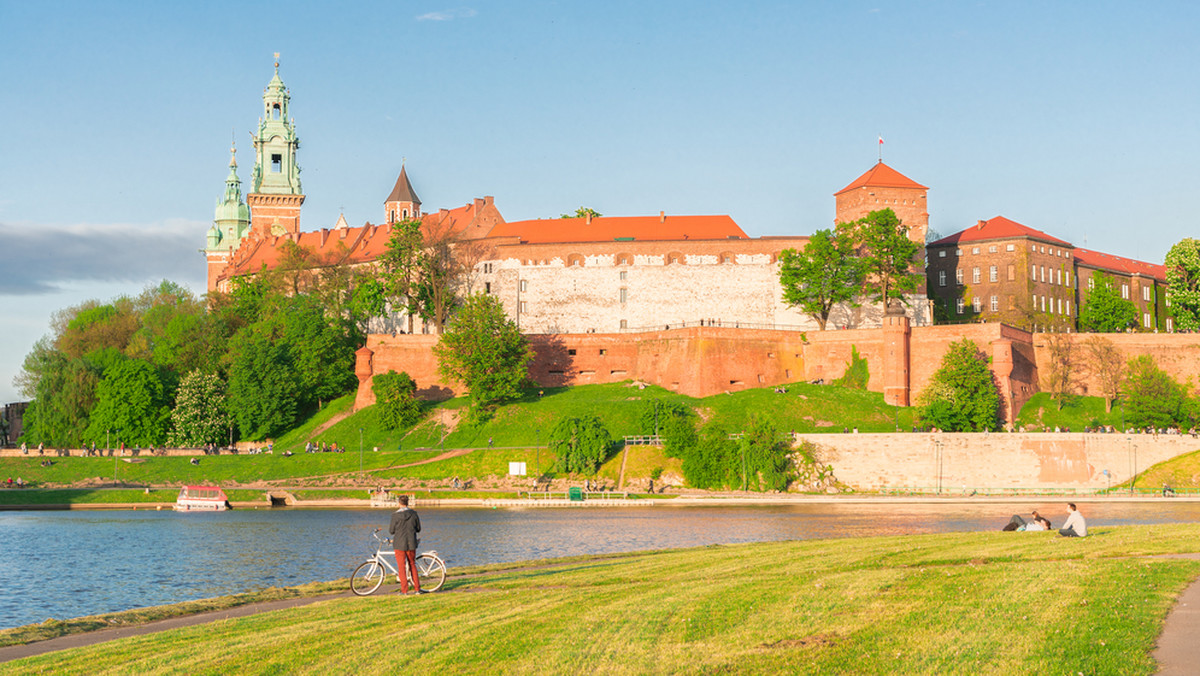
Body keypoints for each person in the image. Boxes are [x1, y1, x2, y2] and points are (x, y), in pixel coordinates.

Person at [389, 495, 422, 595]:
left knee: (401, 567)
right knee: (412, 564)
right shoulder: (414, 514)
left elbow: (391, 531)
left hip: (399, 543)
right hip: (411, 542)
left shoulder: (395, 516)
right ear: (408, 503)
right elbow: (418, 528)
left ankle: (404, 590)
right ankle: (417, 589)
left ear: (399, 503)